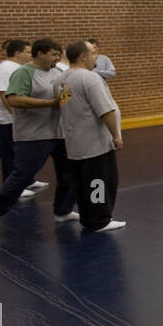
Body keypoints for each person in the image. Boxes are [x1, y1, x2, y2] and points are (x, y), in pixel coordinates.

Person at [0, 38, 77, 235]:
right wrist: (48, 103)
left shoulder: (58, 72)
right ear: (40, 53)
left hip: (59, 132)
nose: (57, 58)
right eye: (53, 54)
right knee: (22, 176)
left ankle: (63, 210)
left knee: (69, 172)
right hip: (33, 135)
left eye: (58, 55)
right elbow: (14, 99)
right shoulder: (23, 73)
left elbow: (64, 95)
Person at [59, 40, 125, 232]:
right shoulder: (90, 78)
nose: (96, 56)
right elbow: (105, 110)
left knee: (83, 181)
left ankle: (89, 217)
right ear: (83, 56)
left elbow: (66, 105)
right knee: (100, 181)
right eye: (93, 53)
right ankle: (100, 220)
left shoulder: (63, 78)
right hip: (94, 141)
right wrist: (116, 135)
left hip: (75, 140)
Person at [0, 40, 30, 184]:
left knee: (22, 153)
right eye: (28, 52)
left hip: (15, 118)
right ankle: (11, 184)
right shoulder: (6, 68)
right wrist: (16, 116)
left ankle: (27, 180)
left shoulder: (19, 67)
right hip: (6, 119)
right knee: (10, 153)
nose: (31, 55)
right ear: (17, 53)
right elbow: (4, 94)